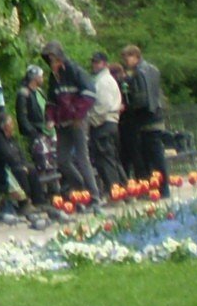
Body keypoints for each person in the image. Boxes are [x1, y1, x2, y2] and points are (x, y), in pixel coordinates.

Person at [41, 41, 97, 201]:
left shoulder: (74, 71)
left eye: (54, 58)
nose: (52, 62)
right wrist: (50, 118)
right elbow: (51, 101)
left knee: (82, 158)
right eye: (49, 59)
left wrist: (77, 114)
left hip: (77, 121)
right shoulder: (53, 78)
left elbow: (90, 94)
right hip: (62, 123)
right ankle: (79, 186)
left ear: (60, 57)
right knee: (63, 160)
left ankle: (94, 196)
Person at [0, 112, 46, 227]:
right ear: (3, 126)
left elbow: (20, 154)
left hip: (5, 170)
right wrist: (20, 166)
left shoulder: (10, 138)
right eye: (10, 123)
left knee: (30, 169)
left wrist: (24, 164)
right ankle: (24, 204)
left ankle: (38, 202)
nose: (13, 126)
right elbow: (6, 156)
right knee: (19, 171)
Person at [119, 42, 170, 198]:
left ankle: (160, 188)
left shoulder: (139, 73)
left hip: (146, 119)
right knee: (157, 155)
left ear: (135, 56)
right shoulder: (153, 69)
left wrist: (128, 105)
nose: (126, 61)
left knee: (152, 156)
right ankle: (162, 187)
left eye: (127, 57)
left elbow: (141, 98)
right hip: (157, 116)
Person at [16, 66, 60, 203]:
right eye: (41, 76)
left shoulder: (40, 92)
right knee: (42, 163)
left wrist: (52, 120)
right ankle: (44, 195)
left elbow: (48, 108)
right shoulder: (24, 94)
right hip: (37, 133)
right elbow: (22, 117)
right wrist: (32, 132)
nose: (43, 78)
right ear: (34, 77)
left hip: (49, 131)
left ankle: (55, 192)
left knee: (53, 162)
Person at [87, 51, 127, 192]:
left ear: (104, 64)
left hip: (104, 123)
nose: (94, 65)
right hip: (111, 123)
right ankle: (124, 189)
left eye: (97, 62)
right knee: (113, 159)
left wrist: (92, 120)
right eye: (93, 62)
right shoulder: (107, 80)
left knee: (105, 160)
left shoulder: (103, 81)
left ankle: (115, 192)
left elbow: (103, 106)